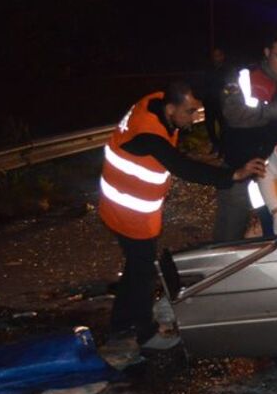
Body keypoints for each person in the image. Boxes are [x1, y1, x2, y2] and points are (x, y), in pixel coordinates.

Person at [98, 82, 265, 351]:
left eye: (197, 111)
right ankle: (144, 332)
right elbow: (184, 168)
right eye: (189, 112)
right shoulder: (148, 133)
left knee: (135, 267)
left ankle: (120, 325)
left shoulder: (157, 103)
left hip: (124, 201)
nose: (193, 119)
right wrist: (233, 175)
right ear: (171, 108)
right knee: (143, 271)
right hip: (128, 208)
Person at [213, 31, 277, 242]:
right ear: (267, 53)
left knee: (273, 232)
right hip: (239, 168)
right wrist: (276, 107)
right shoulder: (243, 77)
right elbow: (234, 116)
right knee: (230, 231)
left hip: (274, 171)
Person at [201, 47, 231, 154]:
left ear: (222, 56)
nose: (216, 58)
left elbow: (231, 87)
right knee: (209, 125)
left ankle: (223, 148)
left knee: (223, 127)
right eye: (214, 56)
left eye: (218, 55)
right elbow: (203, 84)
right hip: (209, 102)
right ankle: (215, 144)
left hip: (222, 103)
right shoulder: (208, 69)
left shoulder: (228, 70)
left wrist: (225, 96)